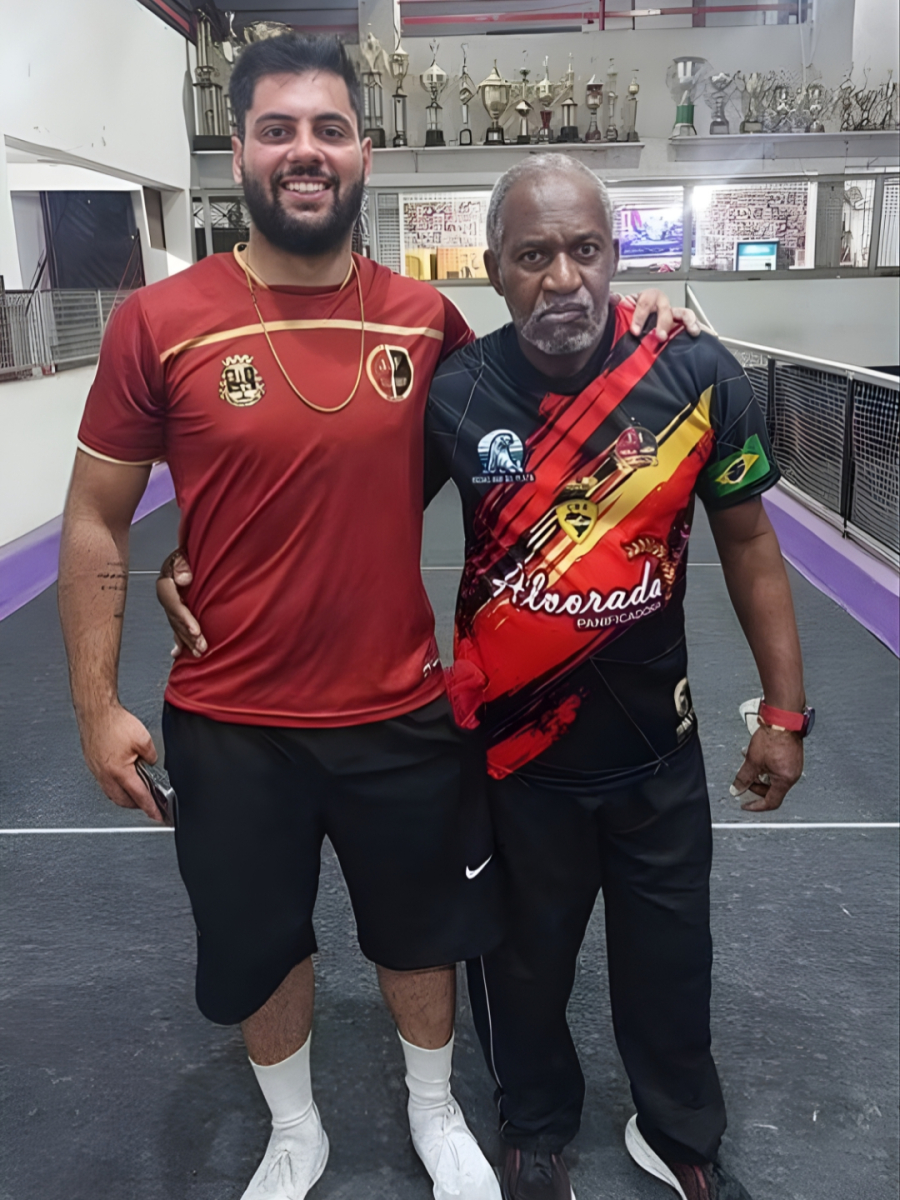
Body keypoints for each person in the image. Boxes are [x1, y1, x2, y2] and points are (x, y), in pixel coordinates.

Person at [59, 34, 693, 1200]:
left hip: (399, 709)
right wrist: (96, 704)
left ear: (365, 151)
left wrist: (645, 318)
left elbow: (551, 401)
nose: (304, 150)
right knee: (260, 945)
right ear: (239, 151)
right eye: (278, 129)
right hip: (230, 721)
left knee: (424, 936)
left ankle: (435, 1111)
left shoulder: (424, 322)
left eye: (329, 129)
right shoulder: (159, 320)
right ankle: (295, 1131)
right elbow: (97, 518)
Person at [422, 157, 809, 1200]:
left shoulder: (695, 374)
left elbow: (750, 545)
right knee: (522, 968)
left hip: (655, 757)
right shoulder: (458, 393)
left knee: (671, 966)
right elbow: (353, 523)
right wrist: (209, 557)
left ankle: (678, 1132)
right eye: (534, 255)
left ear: (615, 254)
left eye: (585, 250)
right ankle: (536, 1124)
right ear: (495, 269)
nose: (564, 278)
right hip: (516, 767)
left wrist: (784, 713)